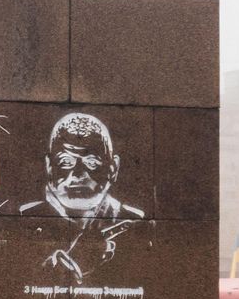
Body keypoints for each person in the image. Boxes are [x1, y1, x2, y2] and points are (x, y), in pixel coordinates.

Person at [18, 113, 146, 283]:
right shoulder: (23, 220)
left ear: (113, 168)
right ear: (49, 166)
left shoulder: (134, 223)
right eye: (65, 162)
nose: (78, 174)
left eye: (91, 162)